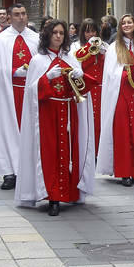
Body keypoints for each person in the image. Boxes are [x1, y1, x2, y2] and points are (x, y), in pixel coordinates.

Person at [15, 20, 96, 216]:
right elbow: (31, 92)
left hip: (69, 112)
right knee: (50, 154)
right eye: (55, 33)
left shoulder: (71, 58)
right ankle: (53, 197)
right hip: (47, 114)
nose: (58, 36)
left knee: (69, 153)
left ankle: (70, 193)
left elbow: (82, 89)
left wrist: (80, 76)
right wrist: (46, 78)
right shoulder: (38, 61)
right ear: (47, 35)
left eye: (61, 33)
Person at [0, 4, 39, 189]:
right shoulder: (1, 40)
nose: (21, 18)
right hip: (9, 92)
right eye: (16, 14)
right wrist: (15, 71)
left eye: (23, 14)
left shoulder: (36, 39)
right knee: (8, 129)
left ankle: (29, 170)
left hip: (31, 93)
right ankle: (9, 172)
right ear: (9, 17)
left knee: (30, 130)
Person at [97, 13, 134, 187]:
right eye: (123, 23)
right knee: (123, 134)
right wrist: (125, 72)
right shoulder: (114, 47)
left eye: (129, 22)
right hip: (120, 95)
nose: (126, 25)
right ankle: (124, 172)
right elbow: (110, 74)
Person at [75, 19, 107, 157]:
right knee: (86, 120)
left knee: (99, 120)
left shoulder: (104, 45)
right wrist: (88, 47)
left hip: (100, 89)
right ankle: (86, 150)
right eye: (87, 31)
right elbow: (75, 63)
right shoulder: (75, 46)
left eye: (93, 31)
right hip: (85, 88)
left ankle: (99, 151)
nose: (90, 34)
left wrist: (103, 51)